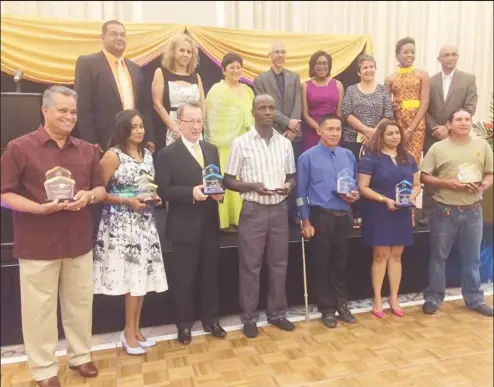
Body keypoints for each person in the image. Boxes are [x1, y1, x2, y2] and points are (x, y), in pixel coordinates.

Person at [0, 86, 106, 387]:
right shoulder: (19, 148)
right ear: (44, 110)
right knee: (39, 312)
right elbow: (4, 194)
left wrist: (88, 196)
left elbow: (100, 189)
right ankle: (44, 370)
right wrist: (37, 209)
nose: (69, 116)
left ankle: (80, 356)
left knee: (80, 304)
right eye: (62, 110)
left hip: (78, 242)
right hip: (38, 244)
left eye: (73, 111)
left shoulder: (87, 150)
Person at [93, 109, 168, 355]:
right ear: (124, 129)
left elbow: (147, 186)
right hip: (121, 224)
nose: (140, 130)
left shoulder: (147, 153)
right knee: (130, 282)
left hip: (145, 222)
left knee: (142, 280)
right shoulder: (112, 156)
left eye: (142, 125)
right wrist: (127, 201)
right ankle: (127, 333)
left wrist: (154, 197)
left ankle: (136, 330)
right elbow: (99, 194)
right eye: (134, 126)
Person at [224, 94, 296, 338]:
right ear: (253, 112)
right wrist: (252, 186)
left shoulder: (285, 144)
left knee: (279, 264)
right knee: (250, 266)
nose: (267, 112)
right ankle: (249, 317)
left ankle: (276, 314)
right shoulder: (240, 143)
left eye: (271, 108)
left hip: (278, 209)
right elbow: (228, 180)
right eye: (262, 108)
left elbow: (291, 177)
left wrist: (288, 186)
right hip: (253, 210)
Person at [155, 101, 226, 345]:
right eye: (190, 121)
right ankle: (184, 325)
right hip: (183, 225)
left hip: (209, 223)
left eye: (199, 121)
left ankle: (211, 320)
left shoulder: (211, 149)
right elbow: (163, 190)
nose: (196, 126)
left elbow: (217, 181)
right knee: (184, 278)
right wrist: (189, 193)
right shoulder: (167, 154)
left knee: (211, 274)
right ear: (179, 123)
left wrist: (219, 193)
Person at [420, 109, 493, 317]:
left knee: (472, 258)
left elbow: (490, 173)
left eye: (467, 119)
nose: (464, 123)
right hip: (445, 211)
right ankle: (433, 297)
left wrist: (483, 186)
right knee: (439, 256)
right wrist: (447, 183)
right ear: (449, 124)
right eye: (459, 120)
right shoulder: (438, 148)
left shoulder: (482, 145)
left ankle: (474, 299)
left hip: (473, 211)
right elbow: (424, 176)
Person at [297, 113, 359, 328]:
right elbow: (301, 192)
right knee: (322, 264)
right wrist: (305, 220)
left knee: (341, 263)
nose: (334, 133)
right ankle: (327, 308)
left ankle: (342, 303)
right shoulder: (307, 157)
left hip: (344, 215)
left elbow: (355, 186)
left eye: (338, 129)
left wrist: (354, 195)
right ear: (319, 131)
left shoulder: (348, 156)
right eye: (330, 129)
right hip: (321, 216)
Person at [357, 120, 421, 318]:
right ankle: (377, 298)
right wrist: (384, 200)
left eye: (397, 133)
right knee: (380, 256)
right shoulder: (370, 159)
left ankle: (394, 297)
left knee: (396, 256)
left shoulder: (408, 158)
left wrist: (413, 195)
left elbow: (417, 184)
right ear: (381, 137)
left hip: (401, 212)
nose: (395, 136)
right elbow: (363, 187)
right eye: (390, 133)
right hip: (379, 211)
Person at [74, 20, 154, 153]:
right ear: (102, 37)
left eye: (123, 35)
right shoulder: (88, 64)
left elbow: (144, 106)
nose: (119, 38)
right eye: (114, 34)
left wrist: (149, 137)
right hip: (104, 141)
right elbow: (83, 107)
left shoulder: (135, 68)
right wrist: (91, 142)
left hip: (134, 141)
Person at [420, 45, 478, 226]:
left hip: (458, 137)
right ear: (439, 59)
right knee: (430, 174)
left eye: (454, 54)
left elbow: (470, 107)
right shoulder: (430, 80)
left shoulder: (468, 79)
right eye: (446, 55)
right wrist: (435, 128)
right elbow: (424, 107)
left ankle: (456, 213)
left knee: (456, 173)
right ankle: (428, 213)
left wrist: (448, 127)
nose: (450, 58)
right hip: (433, 135)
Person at [341, 54, 394, 229]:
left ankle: (373, 213)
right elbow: (346, 114)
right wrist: (366, 130)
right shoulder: (351, 90)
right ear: (359, 71)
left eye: (372, 67)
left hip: (378, 141)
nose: (369, 70)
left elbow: (388, 115)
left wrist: (374, 133)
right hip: (353, 139)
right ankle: (356, 213)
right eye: (365, 67)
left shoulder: (382, 90)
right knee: (356, 175)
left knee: (376, 176)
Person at [205, 52, 255, 231]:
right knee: (228, 178)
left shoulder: (248, 90)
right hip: (224, 145)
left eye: (238, 67)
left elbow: (252, 115)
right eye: (231, 67)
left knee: (243, 179)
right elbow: (212, 118)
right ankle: (225, 222)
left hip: (246, 144)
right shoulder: (216, 91)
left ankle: (243, 219)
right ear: (223, 70)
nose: (236, 70)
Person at [254, 42, 302, 224]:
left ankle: (293, 213)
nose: (280, 55)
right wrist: (286, 122)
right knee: (275, 172)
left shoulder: (295, 77)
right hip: (272, 133)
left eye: (283, 51)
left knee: (292, 174)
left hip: (294, 134)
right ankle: (278, 212)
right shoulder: (260, 80)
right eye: (276, 52)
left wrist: (293, 127)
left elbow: (298, 102)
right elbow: (264, 107)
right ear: (269, 55)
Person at [151, 32, 205, 150]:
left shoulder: (196, 77)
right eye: (181, 50)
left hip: (195, 131)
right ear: (173, 52)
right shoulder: (161, 73)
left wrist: (200, 125)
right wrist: (175, 129)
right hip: (170, 132)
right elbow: (157, 104)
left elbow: (202, 104)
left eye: (189, 52)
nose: (185, 54)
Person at [385, 37, 429, 164]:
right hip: (397, 124)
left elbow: (425, 103)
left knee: (412, 160)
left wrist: (410, 129)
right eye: (405, 52)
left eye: (412, 52)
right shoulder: (390, 78)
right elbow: (387, 106)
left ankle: (413, 184)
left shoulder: (422, 75)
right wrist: (394, 127)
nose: (410, 55)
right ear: (397, 55)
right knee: (395, 158)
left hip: (417, 124)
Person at [301, 50, 344, 152]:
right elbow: (305, 115)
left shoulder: (338, 85)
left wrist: (330, 130)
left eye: (325, 63)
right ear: (312, 66)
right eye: (318, 63)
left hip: (332, 133)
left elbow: (339, 113)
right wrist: (320, 129)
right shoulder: (306, 85)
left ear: (329, 66)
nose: (322, 66)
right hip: (312, 132)